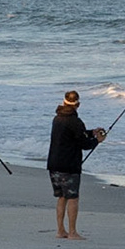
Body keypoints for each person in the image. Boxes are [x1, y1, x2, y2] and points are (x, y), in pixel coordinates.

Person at [47, 89, 107, 240]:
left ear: (64, 102)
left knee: (61, 197)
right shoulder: (75, 121)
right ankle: (72, 232)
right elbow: (83, 144)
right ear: (78, 104)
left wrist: (92, 132)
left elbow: (74, 135)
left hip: (54, 163)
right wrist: (97, 140)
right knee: (73, 198)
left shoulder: (57, 118)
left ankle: (60, 230)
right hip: (69, 166)